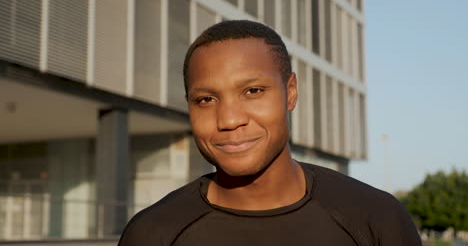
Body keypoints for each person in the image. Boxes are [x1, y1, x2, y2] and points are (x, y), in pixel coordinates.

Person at [118, 20, 421, 246]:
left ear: (290, 92)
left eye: (252, 91)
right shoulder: (151, 234)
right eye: (206, 100)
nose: (229, 119)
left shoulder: (376, 219)